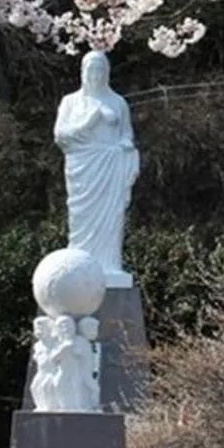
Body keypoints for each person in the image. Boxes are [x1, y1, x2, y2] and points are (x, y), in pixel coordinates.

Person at [53, 50, 139, 285]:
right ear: (82, 72)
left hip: (110, 166)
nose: (95, 74)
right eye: (90, 69)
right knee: (80, 216)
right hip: (82, 166)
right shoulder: (70, 102)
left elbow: (127, 135)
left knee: (112, 215)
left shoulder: (118, 102)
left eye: (100, 69)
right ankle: (81, 264)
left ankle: (110, 264)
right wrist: (87, 123)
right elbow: (60, 136)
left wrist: (124, 145)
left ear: (107, 73)